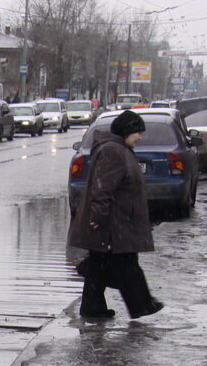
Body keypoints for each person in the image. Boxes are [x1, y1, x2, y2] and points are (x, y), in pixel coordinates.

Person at [67, 109, 163, 320]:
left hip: (117, 222)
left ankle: (93, 308)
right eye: (138, 132)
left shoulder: (119, 149)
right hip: (113, 224)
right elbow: (103, 188)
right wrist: (98, 217)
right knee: (127, 265)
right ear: (127, 131)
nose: (141, 137)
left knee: (100, 267)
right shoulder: (113, 151)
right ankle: (142, 306)